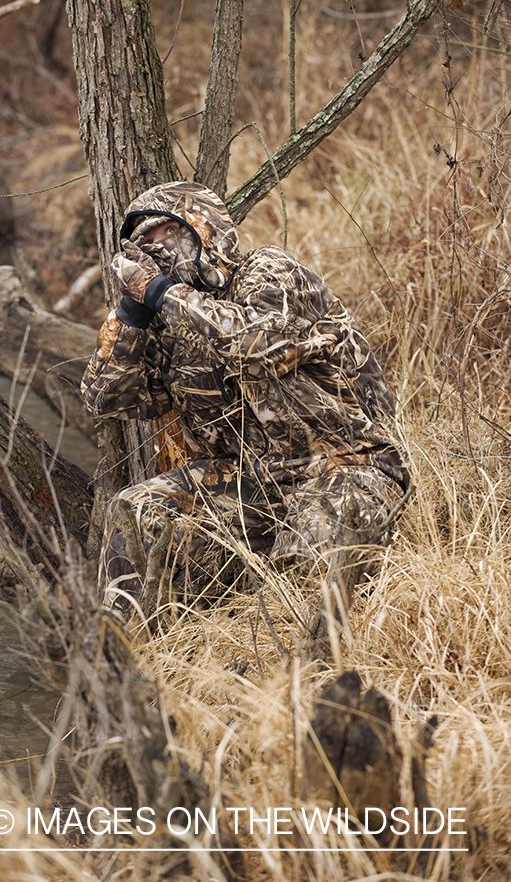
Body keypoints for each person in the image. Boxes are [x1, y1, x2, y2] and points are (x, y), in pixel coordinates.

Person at [81, 181, 410, 634]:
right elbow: (104, 399)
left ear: (204, 228)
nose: (157, 249)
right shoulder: (171, 321)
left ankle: (306, 668)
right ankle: (123, 655)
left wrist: (161, 294)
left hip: (347, 465)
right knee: (136, 510)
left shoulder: (269, 271)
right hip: (252, 481)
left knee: (310, 552)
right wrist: (131, 316)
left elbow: (258, 346)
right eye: (145, 242)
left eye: (166, 232)